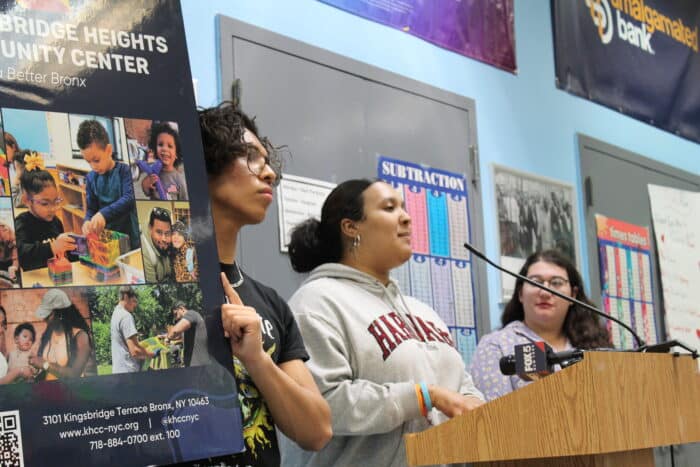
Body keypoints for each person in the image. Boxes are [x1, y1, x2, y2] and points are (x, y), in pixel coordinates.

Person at [282, 179, 485, 467]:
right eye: (389, 208)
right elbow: (322, 406)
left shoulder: (423, 311)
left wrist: (471, 401)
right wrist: (423, 396)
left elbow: (462, 385)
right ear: (351, 227)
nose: (406, 216)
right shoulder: (316, 302)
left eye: (403, 207)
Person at [181, 102, 331, 467]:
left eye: (268, 162)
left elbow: (317, 431)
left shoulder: (270, 303)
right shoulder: (159, 291)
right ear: (205, 166)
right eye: (250, 157)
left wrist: (256, 358)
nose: (270, 176)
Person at [470, 249, 611, 401]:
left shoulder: (594, 346)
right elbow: (492, 416)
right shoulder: (497, 346)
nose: (545, 292)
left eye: (556, 283)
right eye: (535, 282)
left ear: (573, 295)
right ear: (520, 294)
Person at [77, 120, 140, 250]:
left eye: (96, 160)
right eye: (88, 162)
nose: (93, 166)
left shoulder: (124, 171)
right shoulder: (90, 178)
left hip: (130, 241)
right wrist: (87, 221)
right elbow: (91, 208)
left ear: (109, 150)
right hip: (107, 243)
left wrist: (103, 214)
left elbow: (129, 198)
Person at [15, 153, 76, 271]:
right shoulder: (22, 223)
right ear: (27, 200)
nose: (52, 208)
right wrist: (52, 247)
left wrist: (77, 248)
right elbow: (22, 254)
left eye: (55, 201)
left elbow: (65, 256)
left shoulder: (56, 222)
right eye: (45, 203)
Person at [29, 289, 97, 380]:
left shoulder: (80, 336)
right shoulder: (48, 334)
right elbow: (44, 366)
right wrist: (36, 366)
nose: (44, 318)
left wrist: (45, 364)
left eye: (48, 315)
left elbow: (74, 374)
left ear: (60, 313)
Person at [110, 286, 154, 374]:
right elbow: (134, 351)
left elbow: (126, 344)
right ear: (126, 297)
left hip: (119, 369)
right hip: (129, 371)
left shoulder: (116, 313)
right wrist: (151, 354)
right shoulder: (126, 316)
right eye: (134, 301)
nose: (135, 305)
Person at [141, 122, 188, 200]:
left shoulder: (179, 180)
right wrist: (144, 185)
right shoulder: (153, 174)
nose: (164, 149)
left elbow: (184, 202)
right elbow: (147, 193)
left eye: (170, 146)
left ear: (177, 153)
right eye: (160, 144)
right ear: (155, 149)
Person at [166, 302, 209, 367]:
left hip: (198, 363)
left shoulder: (191, 314)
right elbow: (178, 336)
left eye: (176, 314)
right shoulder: (189, 323)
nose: (176, 318)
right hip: (195, 363)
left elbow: (174, 332)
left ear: (181, 309)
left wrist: (168, 338)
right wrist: (163, 336)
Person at [140, 207, 174, 283]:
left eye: (167, 233)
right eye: (159, 232)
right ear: (150, 228)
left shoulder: (173, 240)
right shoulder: (145, 253)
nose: (164, 239)